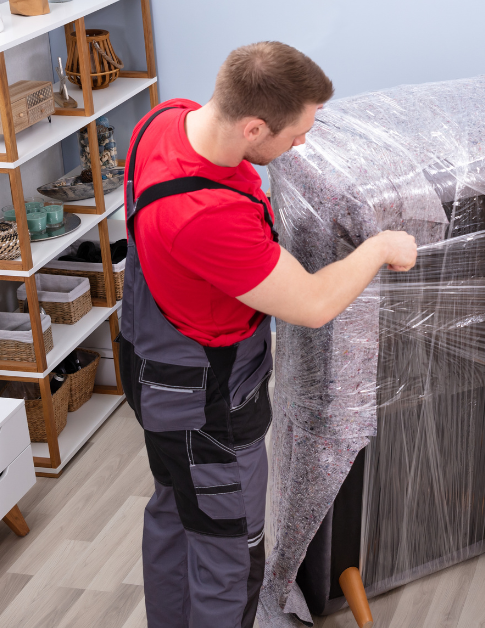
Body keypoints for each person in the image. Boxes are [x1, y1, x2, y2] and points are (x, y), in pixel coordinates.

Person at [117, 42, 417, 628]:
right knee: (227, 553)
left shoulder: (164, 120)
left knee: (178, 516)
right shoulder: (206, 214)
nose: (303, 143)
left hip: (155, 372)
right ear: (253, 126)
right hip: (208, 408)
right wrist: (381, 247)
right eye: (296, 133)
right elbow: (310, 304)